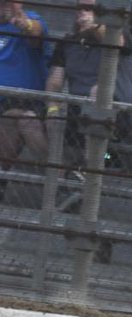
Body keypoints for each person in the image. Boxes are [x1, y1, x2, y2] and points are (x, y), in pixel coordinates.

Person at [45, 0, 132, 168]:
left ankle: (90, 167)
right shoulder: (68, 42)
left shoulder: (116, 33)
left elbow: (118, 44)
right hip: (77, 110)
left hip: (116, 111)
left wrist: (96, 28)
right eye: (80, 8)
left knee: (97, 92)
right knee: (28, 121)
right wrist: (52, 108)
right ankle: (62, 172)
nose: (82, 12)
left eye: (89, 8)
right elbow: (55, 82)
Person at [0, 0, 49, 183]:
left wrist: (25, 24)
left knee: (15, 117)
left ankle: (61, 177)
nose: (4, 6)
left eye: (9, 2)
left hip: (22, 100)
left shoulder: (31, 19)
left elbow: (35, 32)